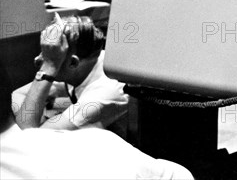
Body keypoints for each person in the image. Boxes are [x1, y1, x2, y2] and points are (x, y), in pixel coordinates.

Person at [0, 59, 193, 180]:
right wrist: (50, 67)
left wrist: (47, 71)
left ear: (73, 62)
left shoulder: (104, 91)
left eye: (48, 55)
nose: (38, 59)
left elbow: (26, 122)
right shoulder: (100, 146)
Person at [12, 14, 129, 138]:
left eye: (51, 55)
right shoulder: (87, 62)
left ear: (73, 62)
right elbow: (17, 94)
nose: (37, 59)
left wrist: (49, 67)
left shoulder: (99, 97)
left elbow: (28, 137)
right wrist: (37, 118)